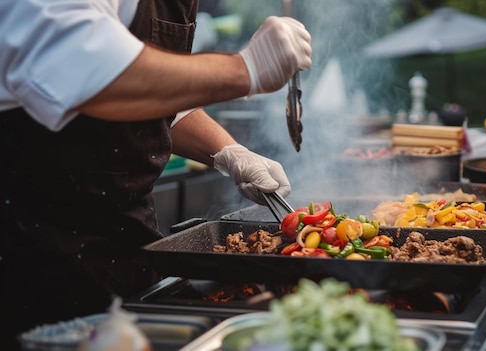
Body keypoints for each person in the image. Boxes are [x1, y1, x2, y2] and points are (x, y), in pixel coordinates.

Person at [0, 0, 312, 348]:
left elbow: (158, 96)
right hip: (33, 254)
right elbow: (75, 69)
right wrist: (245, 70)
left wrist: (229, 152)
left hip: (128, 248)